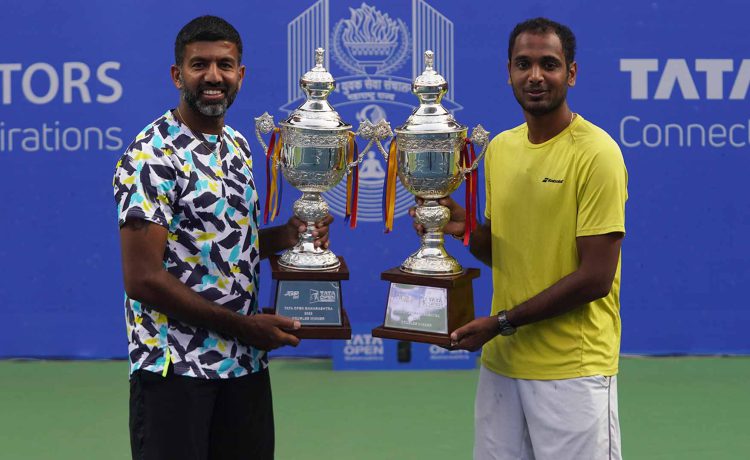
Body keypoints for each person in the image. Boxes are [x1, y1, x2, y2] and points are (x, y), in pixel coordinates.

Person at [113, 16, 331, 460]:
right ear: (177, 75)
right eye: (200, 65)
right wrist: (244, 326)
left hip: (244, 367)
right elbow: (142, 278)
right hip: (175, 372)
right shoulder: (151, 154)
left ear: (240, 74)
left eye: (224, 65)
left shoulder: (236, 144)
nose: (213, 76)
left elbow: (225, 246)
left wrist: (290, 236)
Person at [414, 18, 628, 459]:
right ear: (508, 72)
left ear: (571, 73)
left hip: (572, 370)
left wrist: (501, 322)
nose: (535, 76)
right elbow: (507, 252)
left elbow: (595, 278)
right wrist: (464, 228)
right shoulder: (501, 149)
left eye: (549, 64)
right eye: (523, 64)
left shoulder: (597, 154)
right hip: (503, 366)